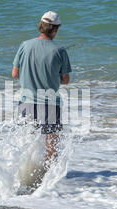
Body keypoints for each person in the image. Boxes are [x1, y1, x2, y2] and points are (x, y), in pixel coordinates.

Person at [12, 11, 72, 169]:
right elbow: (65, 80)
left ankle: (25, 174)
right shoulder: (60, 50)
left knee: (26, 145)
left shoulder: (25, 45)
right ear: (55, 29)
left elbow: (15, 73)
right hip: (50, 104)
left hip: (26, 103)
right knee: (52, 148)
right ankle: (48, 182)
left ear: (41, 26)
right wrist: (51, 77)